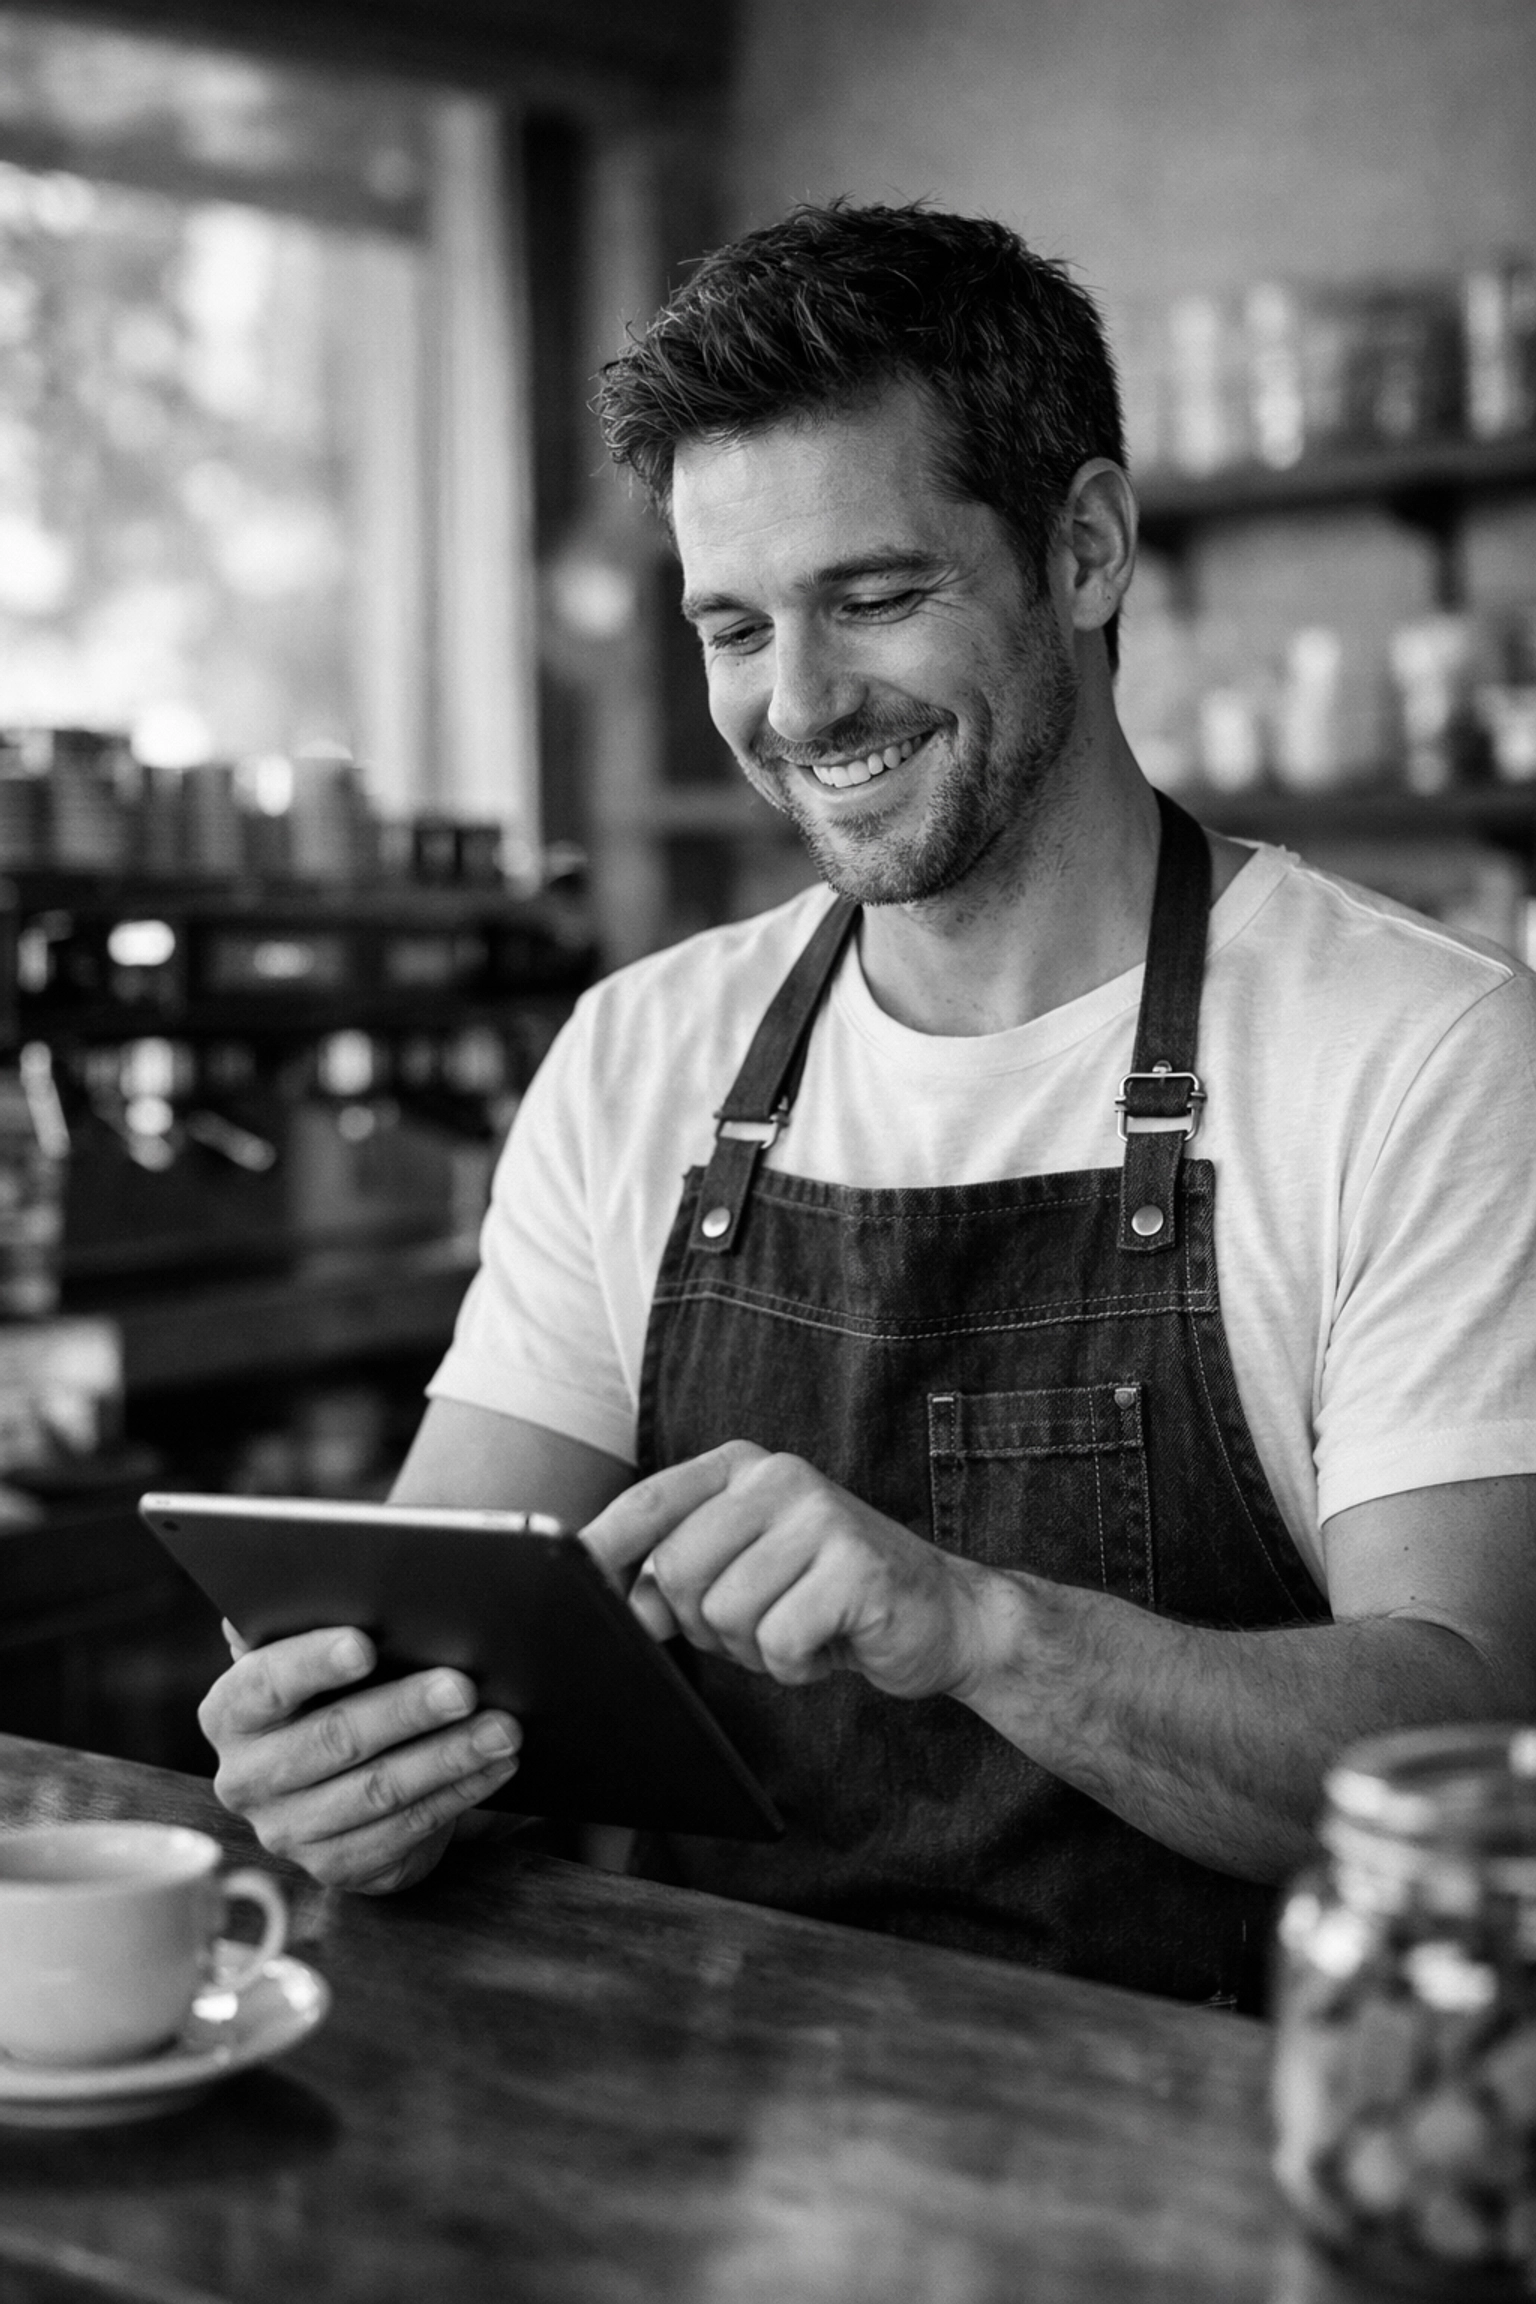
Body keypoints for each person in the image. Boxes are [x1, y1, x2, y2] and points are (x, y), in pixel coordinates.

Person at [200, 201, 1536, 2006]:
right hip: (702, 2112)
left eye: (877, 598)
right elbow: (440, 1634)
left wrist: (977, 1625)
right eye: (733, 626)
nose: (801, 703)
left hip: (1212, 2143)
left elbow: (1469, 1742)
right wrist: (348, 1758)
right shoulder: (640, 1053)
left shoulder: (1421, 1052)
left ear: (1085, 547)